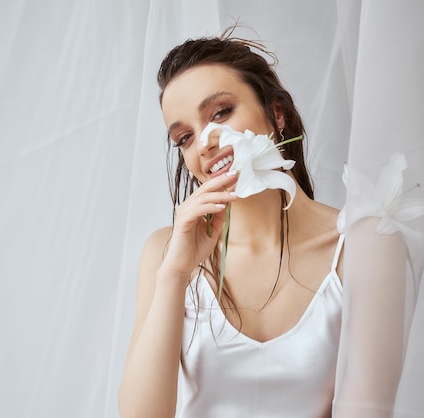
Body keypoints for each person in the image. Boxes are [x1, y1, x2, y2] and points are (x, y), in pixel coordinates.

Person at [118, 32, 347, 418]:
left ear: (277, 114)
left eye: (221, 112)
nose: (205, 143)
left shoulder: (351, 247)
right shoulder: (165, 253)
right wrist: (174, 274)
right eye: (185, 137)